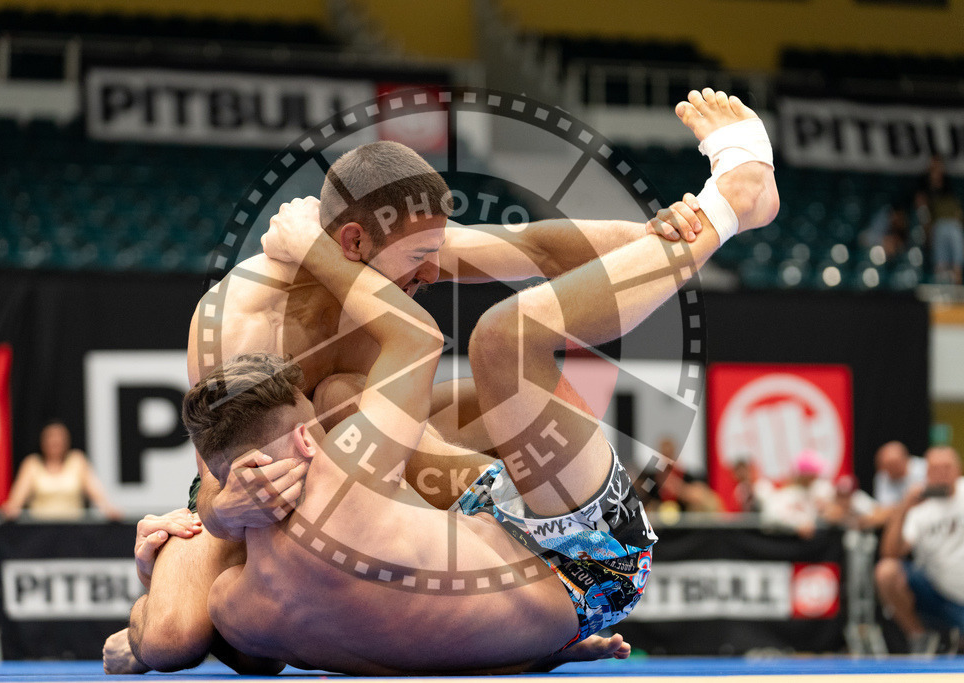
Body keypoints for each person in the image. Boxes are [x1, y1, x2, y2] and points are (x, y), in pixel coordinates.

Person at [184, 88, 778, 674]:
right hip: (396, 546)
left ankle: (720, 212)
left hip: (470, 530)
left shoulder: (401, 251)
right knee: (488, 346)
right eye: (419, 257)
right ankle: (725, 205)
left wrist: (663, 231)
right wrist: (218, 510)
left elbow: (539, 248)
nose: (434, 269)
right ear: (353, 243)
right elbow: (214, 478)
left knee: (366, 396)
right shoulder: (242, 324)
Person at [875, 446, 964, 653]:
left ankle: (951, 639)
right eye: (935, 468)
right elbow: (890, 553)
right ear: (926, 473)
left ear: (958, 470)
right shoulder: (918, 509)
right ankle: (919, 636)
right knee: (886, 570)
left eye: (947, 467)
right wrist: (903, 507)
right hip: (936, 592)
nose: (941, 473)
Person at [0, 420, 121, 521]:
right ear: (42, 441)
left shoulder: (77, 461)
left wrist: (109, 509)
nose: (55, 442)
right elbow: (16, 501)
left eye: (59, 438)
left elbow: (98, 495)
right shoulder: (32, 464)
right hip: (39, 533)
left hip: (72, 531)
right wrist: (10, 509)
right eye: (51, 438)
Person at [758, 449, 834, 539]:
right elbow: (770, 516)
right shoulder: (787, 494)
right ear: (806, 476)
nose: (816, 477)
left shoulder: (815, 494)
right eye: (814, 474)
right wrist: (797, 524)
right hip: (786, 545)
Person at [915, 155, 964, 284]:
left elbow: (957, 209)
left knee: (956, 235)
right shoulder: (924, 186)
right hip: (938, 224)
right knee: (942, 239)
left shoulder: (948, 184)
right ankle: (941, 278)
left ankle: (957, 275)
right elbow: (922, 208)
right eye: (934, 167)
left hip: (953, 224)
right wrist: (927, 228)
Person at [874, 440, 926, 508]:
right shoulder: (883, 475)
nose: (890, 469)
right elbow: (884, 506)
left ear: (905, 460)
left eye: (893, 464)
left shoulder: (924, 468)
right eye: (886, 466)